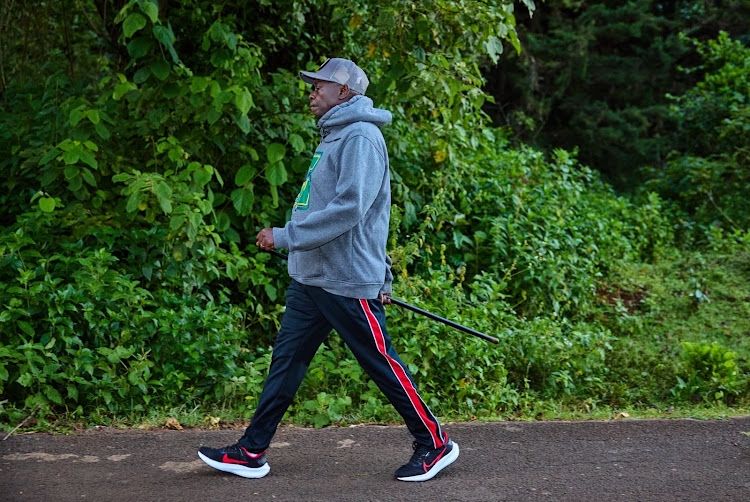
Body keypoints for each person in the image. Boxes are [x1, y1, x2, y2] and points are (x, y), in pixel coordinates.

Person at [197, 58, 459, 482]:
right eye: (312, 85)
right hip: (312, 277)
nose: (312, 92)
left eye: (321, 85)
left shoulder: (360, 137)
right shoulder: (334, 136)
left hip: (345, 279)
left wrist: (286, 236)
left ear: (347, 93)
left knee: (381, 364)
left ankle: (435, 443)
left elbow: (352, 209)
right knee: (286, 363)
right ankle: (251, 451)